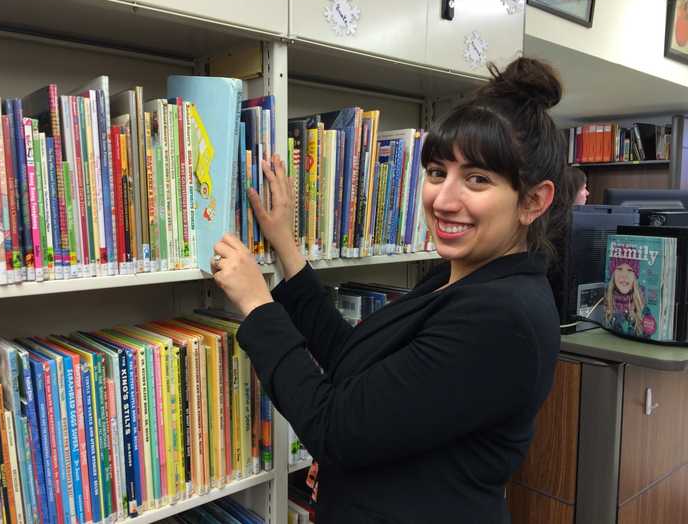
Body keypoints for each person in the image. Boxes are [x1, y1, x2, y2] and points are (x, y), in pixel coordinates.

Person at [210, 57, 570, 523]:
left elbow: (335, 427)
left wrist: (258, 304)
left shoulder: (506, 318)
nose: (443, 199)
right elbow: (351, 355)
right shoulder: (459, 275)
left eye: (477, 179)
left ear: (533, 201)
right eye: (438, 172)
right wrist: (287, 248)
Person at [604, 256, 656, 337]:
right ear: (613, 274)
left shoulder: (642, 307)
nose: (624, 276)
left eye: (629, 270)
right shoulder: (605, 301)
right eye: (619, 269)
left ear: (635, 277)